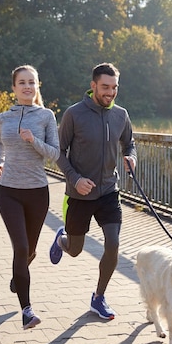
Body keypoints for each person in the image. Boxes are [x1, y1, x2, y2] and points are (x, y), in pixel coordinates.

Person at [50, 62, 137, 320]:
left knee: (113, 245)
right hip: (80, 195)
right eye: (105, 87)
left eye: (114, 88)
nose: (110, 92)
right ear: (93, 86)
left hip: (109, 191)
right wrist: (75, 179)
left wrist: (131, 156)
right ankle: (60, 239)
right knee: (75, 249)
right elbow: (58, 152)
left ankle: (98, 298)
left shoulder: (121, 114)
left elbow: (129, 142)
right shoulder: (74, 114)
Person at [0, 65, 60, 329]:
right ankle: (27, 311)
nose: (27, 87)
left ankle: (17, 276)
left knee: (29, 252)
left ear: (37, 86)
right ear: (14, 88)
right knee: (20, 248)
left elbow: (54, 154)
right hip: (9, 192)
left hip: (37, 194)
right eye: (22, 82)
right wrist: (0, 162)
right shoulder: (3, 118)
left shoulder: (46, 116)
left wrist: (34, 141)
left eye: (32, 82)